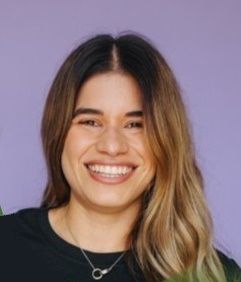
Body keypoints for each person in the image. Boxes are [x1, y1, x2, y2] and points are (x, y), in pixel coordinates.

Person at [0, 33, 240, 282]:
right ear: (58, 132)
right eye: (91, 122)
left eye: (135, 124)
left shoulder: (213, 276)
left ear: (166, 140)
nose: (112, 146)